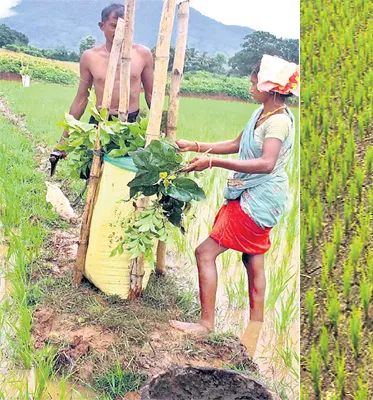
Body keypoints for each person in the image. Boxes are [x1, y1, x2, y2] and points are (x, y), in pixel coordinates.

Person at [169, 55, 298, 356]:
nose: (250, 87)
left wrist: (212, 162)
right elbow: (237, 144)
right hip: (255, 195)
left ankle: (205, 323)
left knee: (204, 252)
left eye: (255, 83)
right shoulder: (262, 113)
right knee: (253, 259)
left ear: (270, 88)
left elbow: (266, 163)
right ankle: (255, 327)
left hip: (258, 199)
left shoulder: (278, 122)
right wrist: (196, 146)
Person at [50, 3, 153, 162]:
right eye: (114, 26)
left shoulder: (143, 54)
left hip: (132, 124)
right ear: (102, 26)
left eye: (125, 27)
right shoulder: (90, 57)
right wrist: (63, 140)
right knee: (95, 174)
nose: (120, 31)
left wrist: (159, 129)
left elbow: (151, 94)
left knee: (126, 174)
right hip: (101, 123)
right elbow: (81, 98)